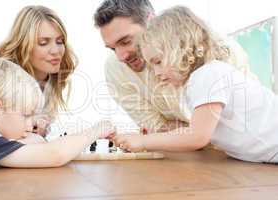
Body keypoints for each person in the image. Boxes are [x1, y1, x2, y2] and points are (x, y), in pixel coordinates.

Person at [112, 6, 278, 164]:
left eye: (158, 62)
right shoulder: (197, 82)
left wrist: (144, 141)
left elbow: (197, 136)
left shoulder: (207, 75)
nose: (156, 73)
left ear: (182, 48)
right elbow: (194, 130)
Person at [0, 57, 115, 200]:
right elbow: (54, 155)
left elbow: (37, 142)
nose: (30, 125)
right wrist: (94, 132)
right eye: (25, 115)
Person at [93, 0, 250, 133]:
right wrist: (194, 130)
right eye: (113, 48)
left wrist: (192, 131)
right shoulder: (115, 68)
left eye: (126, 41)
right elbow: (157, 129)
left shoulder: (216, 49)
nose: (121, 56)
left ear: (151, 21)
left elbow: (236, 123)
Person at [0, 5, 77, 136]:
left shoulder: (50, 80)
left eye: (60, 41)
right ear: (23, 45)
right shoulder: (2, 81)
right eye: (43, 43)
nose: (56, 51)